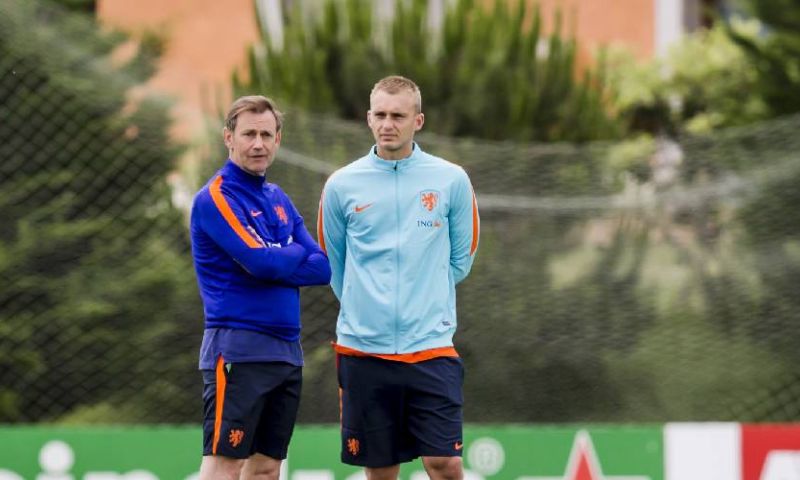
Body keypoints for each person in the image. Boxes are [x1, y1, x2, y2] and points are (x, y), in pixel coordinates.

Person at [318, 76, 480, 480]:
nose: (388, 124)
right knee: (381, 469)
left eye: (398, 115)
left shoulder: (451, 179)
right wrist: (366, 304)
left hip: (430, 347)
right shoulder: (341, 184)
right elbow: (333, 264)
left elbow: (461, 259)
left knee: (444, 464)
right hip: (363, 351)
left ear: (418, 120)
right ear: (369, 118)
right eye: (380, 115)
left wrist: (424, 296)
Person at [190, 95, 331, 480]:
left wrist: (275, 256)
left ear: (278, 140)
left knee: (267, 469)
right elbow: (262, 263)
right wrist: (283, 252)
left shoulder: (277, 197)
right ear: (228, 137)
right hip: (238, 350)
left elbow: (322, 268)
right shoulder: (216, 197)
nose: (258, 144)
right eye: (249, 134)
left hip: (287, 353)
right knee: (225, 464)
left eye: (266, 135)